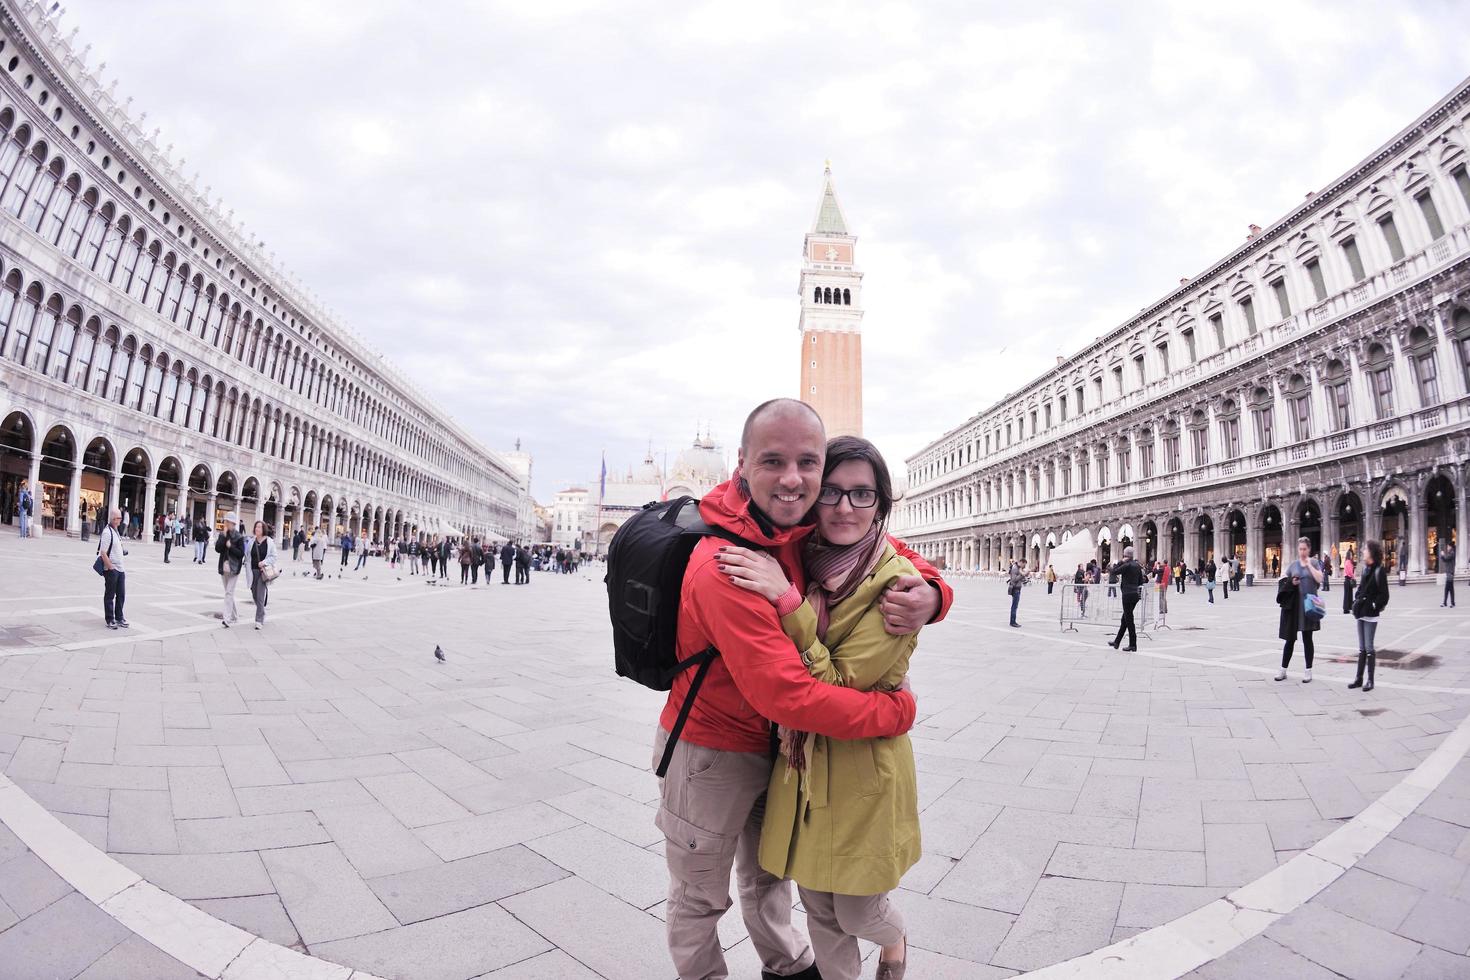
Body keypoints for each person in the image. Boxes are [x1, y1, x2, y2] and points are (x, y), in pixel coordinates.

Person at [648, 400, 949, 980]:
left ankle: (787, 968)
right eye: (773, 461)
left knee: (768, 876)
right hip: (712, 751)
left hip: (781, 750)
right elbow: (790, 697)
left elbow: (885, 549)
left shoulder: (800, 524)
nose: (793, 480)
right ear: (742, 464)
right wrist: (893, 713)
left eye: (807, 463)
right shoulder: (727, 566)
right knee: (699, 897)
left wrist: (935, 594)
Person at [717, 435, 920, 980]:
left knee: (858, 908)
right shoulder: (804, 555)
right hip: (802, 769)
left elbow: (837, 688)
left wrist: (787, 603)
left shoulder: (899, 587)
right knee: (822, 915)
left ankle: (895, 938)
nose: (844, 508)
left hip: (859, 769)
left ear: (882, 503)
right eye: (830, 492)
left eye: (862, 495)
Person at [1276, 536, 1323, 683]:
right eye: (1300, 549)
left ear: (1309, 549)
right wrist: (1292, 582)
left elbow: (1320, 579)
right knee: (1289, 640)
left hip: (1309, 606)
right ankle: (1283, 670)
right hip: (1294, 608)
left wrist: (1308, 565)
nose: (1302, 551)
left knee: (1307, 639)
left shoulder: (1315, 562)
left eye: (1304, 549)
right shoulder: (1293, 565)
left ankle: (1308, 670)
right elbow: (1283, 582)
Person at [1350, 540, 1388, 693]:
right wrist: (1357, 598)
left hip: (1371, 614)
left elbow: (1384, 596)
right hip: (1361, 612)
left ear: (1371, 552)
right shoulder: (1366, 569)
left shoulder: (1379, 570)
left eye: (1365, 549)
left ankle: (1370, 680)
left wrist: (1374, 605)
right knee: (1361, 648)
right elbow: (1361, 589)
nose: (1362, 551)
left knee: (1369, 647)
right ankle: (1358, 678)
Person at [1108, 546, 1146, 651]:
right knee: (1124, 619)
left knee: (1129, 621)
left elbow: (1114, 571)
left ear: (1126, 555)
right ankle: (1117, 642)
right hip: (1135, 595)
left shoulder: (1127, 565)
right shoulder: (1137, 566)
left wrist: (1120, 562)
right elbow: (1140, 582)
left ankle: (1133, 645)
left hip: (1127, 595)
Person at [98, 507, 128, 629]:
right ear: (114, 518)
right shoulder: (107, 532)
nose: (120, 520)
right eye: (119, 518)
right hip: (112, 569)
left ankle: (119, 617)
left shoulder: (116, 531)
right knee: (110, 595)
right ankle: (110, 619)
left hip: (121, 569)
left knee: (121, 594)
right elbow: (103, 552)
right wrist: (110, 567)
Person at [244, 520, 277, 629]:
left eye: (259, 527)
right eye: (256, 527)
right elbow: (247, 555)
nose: (257, 529)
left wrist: (264, 562)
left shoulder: (269, 542)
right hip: (252, 571)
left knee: (260, 596)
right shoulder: (251, 541)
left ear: (263, 529)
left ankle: (259, 620)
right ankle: (262, 611)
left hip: (263, 572)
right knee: (254, 594)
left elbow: (274, 556)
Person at [215, 513, 245, 627]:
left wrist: (230, 547)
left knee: (228, 592)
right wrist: (222, 537)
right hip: (224, 567)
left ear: (233, 523)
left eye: (227, 522)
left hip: (234, 568)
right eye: (225, 521)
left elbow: (241, 554)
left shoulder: (239, 537)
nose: (225, 524)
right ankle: (234, 616)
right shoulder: (223, 534)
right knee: (229, 593)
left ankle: (226, 618)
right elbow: (218, 549)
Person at [1006, 561, 1026, 628]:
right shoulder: (1015, 569)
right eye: (1024, 565)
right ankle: (1012, 622)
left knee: (1015, 606)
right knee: (1014, 606)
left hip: (1017, 588)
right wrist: (1022, 575)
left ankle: (1013, 621)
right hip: (1015, 589)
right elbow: (1014, 579)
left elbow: (1020, 579)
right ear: (1021, 562)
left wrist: (1024, 577)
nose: (1024, 566)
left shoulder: (1018, 568)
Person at [1441, 541, 1456, 608]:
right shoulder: (1450, 553)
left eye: (1447, 546)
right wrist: (1442, 556)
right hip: (1449, 572)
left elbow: (1446, 558)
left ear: (1450, 547)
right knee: (1450, 589)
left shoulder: (1452, 553)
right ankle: (1451, 603)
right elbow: (1445, 560)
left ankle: (1446, 603)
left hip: (1450, 573)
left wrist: (1443, 554)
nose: (1447, 547)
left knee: (1447, 588)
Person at [1341, 549, 1356, 615]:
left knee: (1348, 594)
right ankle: (1347, 608)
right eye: (1351, 555)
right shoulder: (1348, 562)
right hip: (1348, 579)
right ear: (1349, 555)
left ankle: (1347, 608)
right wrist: (1353, 577)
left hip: (1347, 580)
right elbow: (1350, 572)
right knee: (1348, 595)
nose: (1351, 556)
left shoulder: (1346, 561)